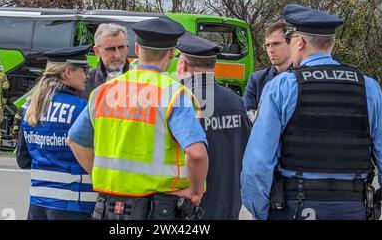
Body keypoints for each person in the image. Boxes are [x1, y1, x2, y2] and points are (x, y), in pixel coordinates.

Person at [241, 4, 382, 220]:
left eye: (289, 41)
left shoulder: (282, 87)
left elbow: (258, 162)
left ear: (299, 42)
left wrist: (262, 212)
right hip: (354, 206)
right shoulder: (368, 87)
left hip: (296, 205)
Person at [68, 18, 209, 220]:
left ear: (136, 48)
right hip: (158, 208)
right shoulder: (173, 93)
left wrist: (111, 177)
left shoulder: (102, 92)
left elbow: (74, 140)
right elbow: (196, 153)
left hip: (109, 206)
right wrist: (195, 192)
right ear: (172, 53)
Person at [176, 32, 252, 219]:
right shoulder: (236, 101)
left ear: (183, 64)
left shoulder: (180, 101)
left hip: (192, 207)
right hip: (230, 204)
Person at [16, 45, 96, 220]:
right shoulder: (82, 109)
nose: (88, 75)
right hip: (75, 205)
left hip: (38, 204)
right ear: (68, 72)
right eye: (85, 69)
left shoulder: (32, 107)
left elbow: (23, 159)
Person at [243, 22, 291, 122]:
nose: (270, 50)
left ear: (291, 43)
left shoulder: (304, 77)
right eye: (268, 45)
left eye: (276, 44)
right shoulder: (256, 80)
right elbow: (248, 117)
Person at [81, 23, 131, 100]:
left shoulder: (142, 80)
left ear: (127, 48)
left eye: (121, 47)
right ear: (97, 51)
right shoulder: (85, 83)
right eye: (110, 49)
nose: (117, 55)